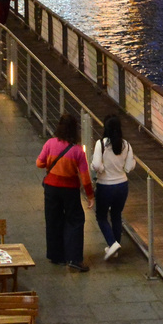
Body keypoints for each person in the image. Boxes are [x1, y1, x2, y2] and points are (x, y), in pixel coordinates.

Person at [36, 111, 94, 271]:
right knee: (75, 221)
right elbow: (85, 177)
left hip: (51, 188)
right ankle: (74, 259)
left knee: (53, 220)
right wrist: (90, 196)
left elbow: (39, 163)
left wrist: (50, 165)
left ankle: (56, 256)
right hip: (70, 190)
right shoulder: (77, 151)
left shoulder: (50, 144)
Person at [89, 114, 135, 261]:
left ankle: (112, 243)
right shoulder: (126, 144)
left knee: (101, 216)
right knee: (116, 215)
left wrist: (100, 169)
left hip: (105, 186)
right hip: (122, 185)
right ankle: (115, 247)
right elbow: (128, 167)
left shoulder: (100, 144)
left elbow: (96, 165)